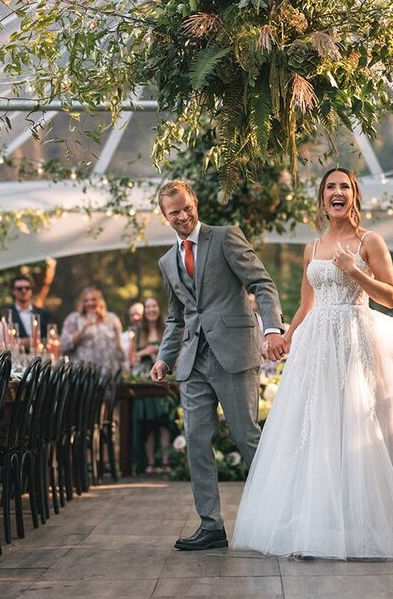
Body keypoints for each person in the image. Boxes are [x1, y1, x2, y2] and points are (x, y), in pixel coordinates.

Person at [232, 167, 393, 559]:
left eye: (344, 187)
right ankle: (315, 524)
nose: (337, 192)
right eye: (330, 187)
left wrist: (355, 270)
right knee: (316, 427)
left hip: (355, 339)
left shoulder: (370, 241)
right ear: (322, 199)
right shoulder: (312, 248)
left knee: (357, 425)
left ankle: (364, 524)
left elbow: (388, 296)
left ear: (353, 196)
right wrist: (286, 335)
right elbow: (307, 303)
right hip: (317, 345)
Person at [149, 179, 286, 552]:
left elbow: (261, 283)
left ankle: (284, 513)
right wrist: (164, 357)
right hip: (193, 361)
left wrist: (272, 330)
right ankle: (211, 525)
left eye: (186, 207)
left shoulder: (225, 237)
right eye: (173, 212)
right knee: (195, 440)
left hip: (234, 351)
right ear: (165, 216)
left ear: (195, 203)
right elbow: (176, 318)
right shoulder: (167, 261)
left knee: (246, 435)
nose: (182, 215)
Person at [133, 296, 174, 472]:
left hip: (163, 380)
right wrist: (146, 351)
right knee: (148, 424)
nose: (151, 309)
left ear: (158, 309)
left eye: (154, 306)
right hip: (144, 382)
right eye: (147, 307)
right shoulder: (137, 333)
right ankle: (150, 462)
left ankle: (165, 462)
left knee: (164, 422)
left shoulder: (166, 329)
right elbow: (130, 358)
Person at [60, 287, 127, 372]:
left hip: (108, 372)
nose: (90, 303)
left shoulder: (112, 319)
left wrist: (125, 365)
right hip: (82, 373)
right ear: (82, 303)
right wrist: (83, 330)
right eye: (86, 300)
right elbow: (64, 346)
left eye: (93, 299)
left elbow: (120, 347)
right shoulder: (73, 319)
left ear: (100, 301)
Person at [0, 276, 52, 353]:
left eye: (27, 288)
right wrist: (21, 342)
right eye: (19, 288)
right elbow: (0, 340)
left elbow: (50, 338)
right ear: (13, 291)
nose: (24, 291)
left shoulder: (43, 314)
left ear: (31, 290)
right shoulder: (5, 314)